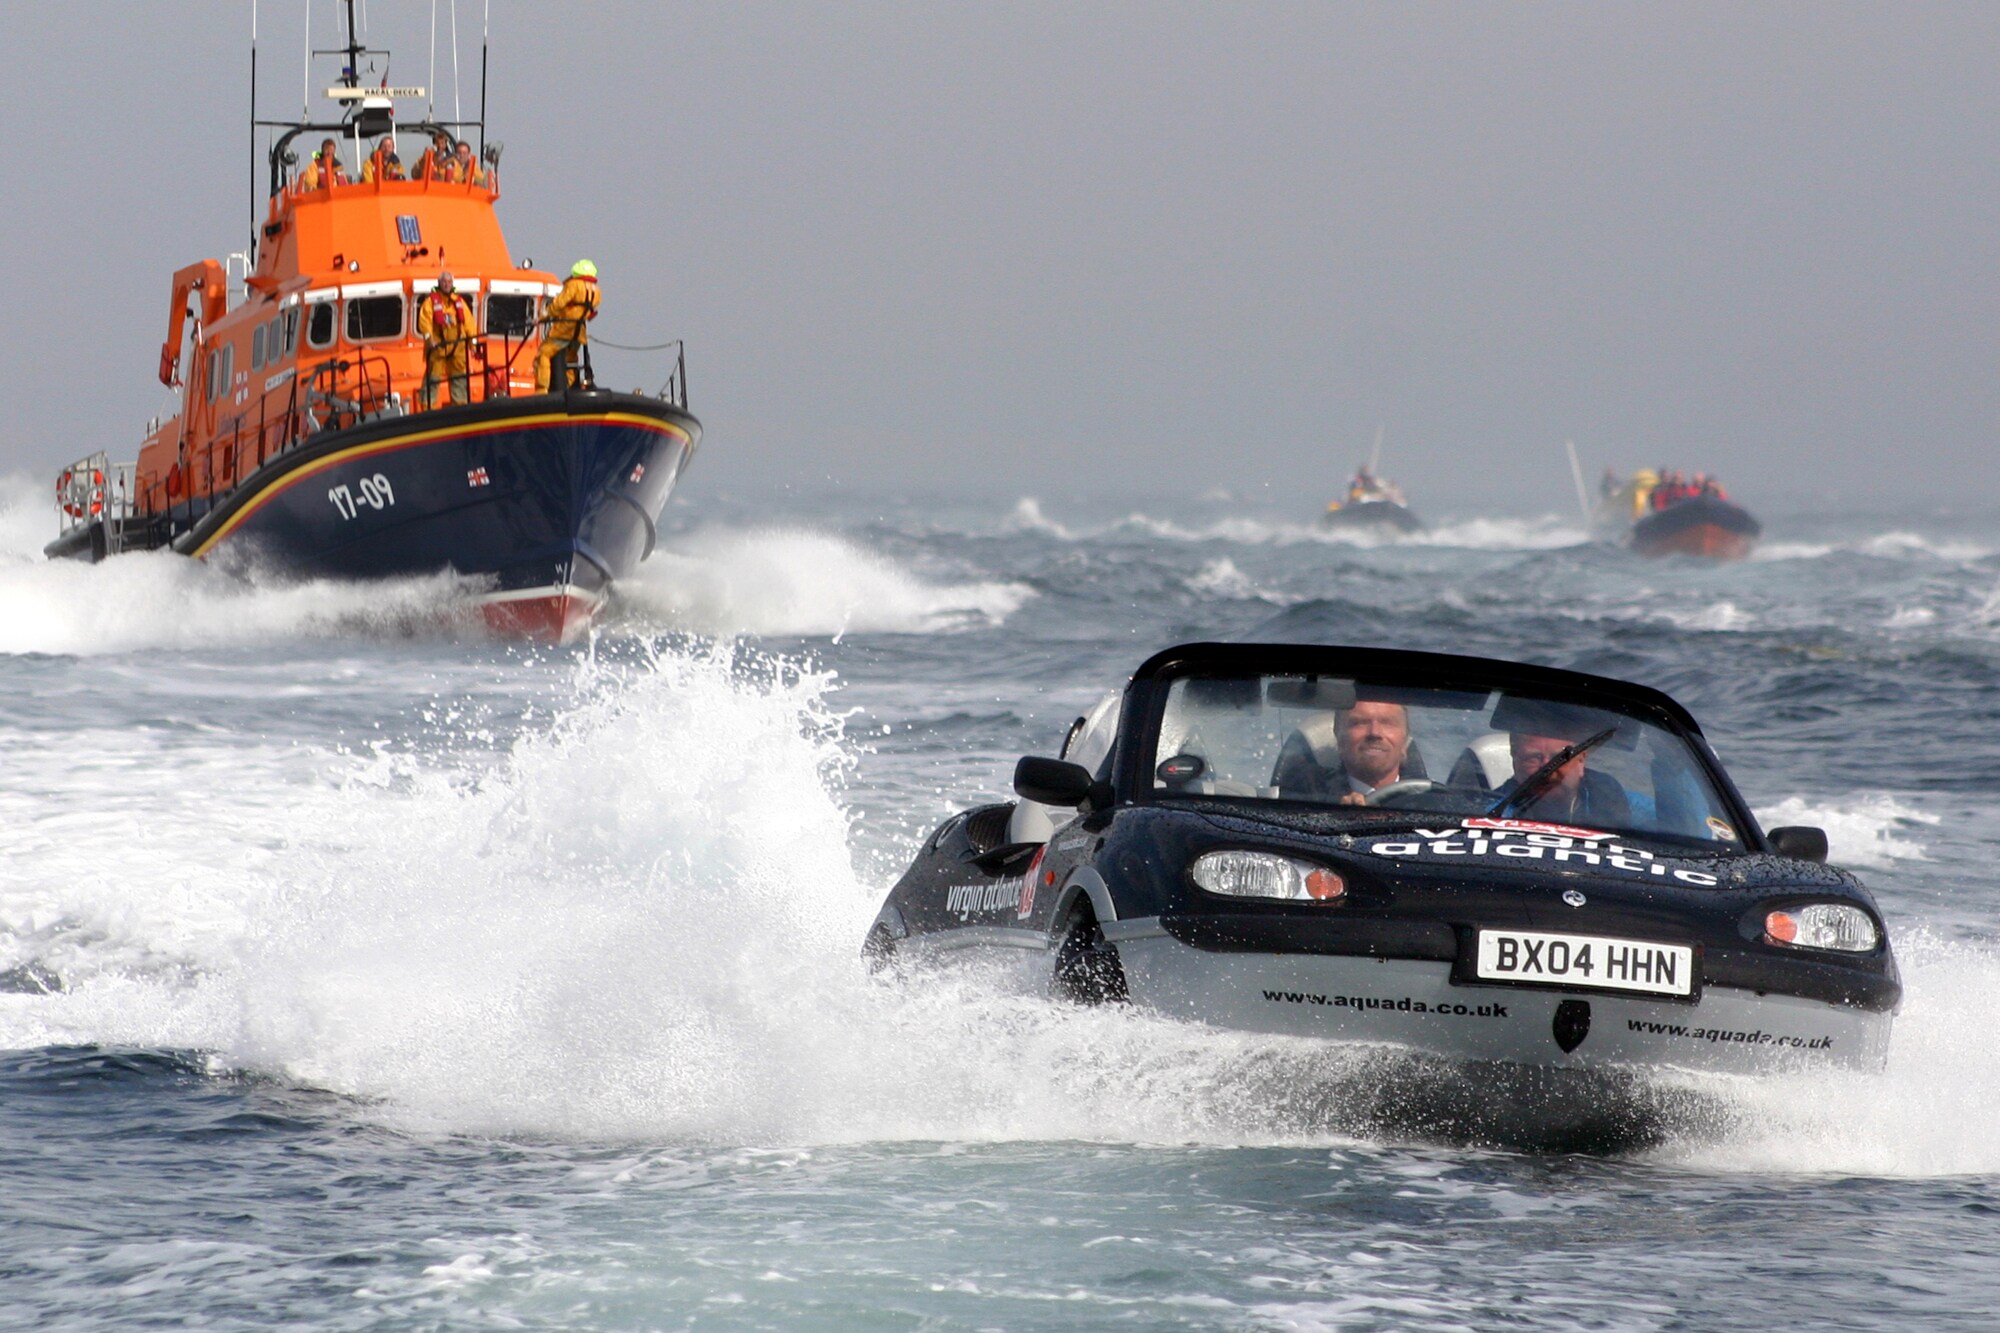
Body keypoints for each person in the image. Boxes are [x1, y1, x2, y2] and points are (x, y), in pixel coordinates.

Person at [1271, 701, 1420, 803]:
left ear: (1405, 740)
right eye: (1360, 723)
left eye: (1387, 723)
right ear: (1338, 737)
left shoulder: (1435, 804)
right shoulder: (1306, 796)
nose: (1374, 732)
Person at [1496, 729, 1631, 825]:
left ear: (1581, 760)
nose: (1548, 771)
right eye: (1534, 758)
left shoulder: (1617, 799)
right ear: (1515, 760)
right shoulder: (1491, 811)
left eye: (1559, 759)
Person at [535, 260, 600, 391]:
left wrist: (545, 314)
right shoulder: (596, 291)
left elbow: (560, 303)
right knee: (571, 359)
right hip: (579, 331)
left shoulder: (573, 285)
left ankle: (542, 389)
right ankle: (569, 387)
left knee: (544, 354)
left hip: (565, 328)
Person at [416, 272, 476, 408]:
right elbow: (424, 322)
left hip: (458, 349)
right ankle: (428, 410)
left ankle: (461, 409)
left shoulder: (459, 302)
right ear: (439, 283)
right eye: (444, 281)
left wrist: (473, 345)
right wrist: (429, 339)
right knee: (433, 379)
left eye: (449, 281)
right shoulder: (430, 302)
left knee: (459, 380)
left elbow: (469, 324)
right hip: (438, 348)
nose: (446, 284)